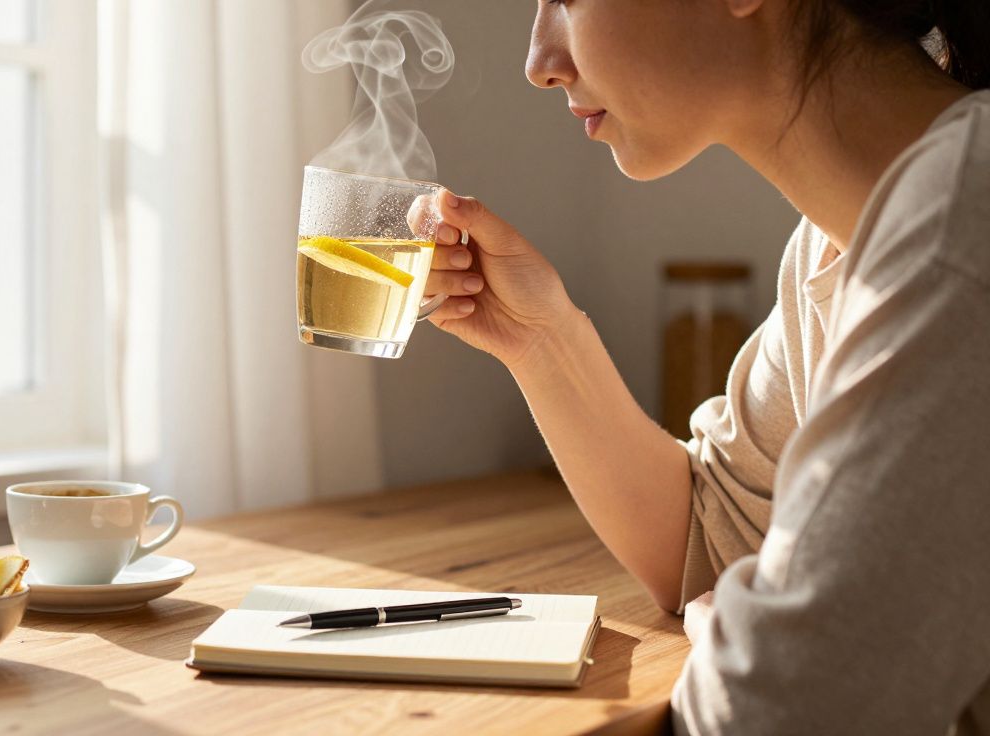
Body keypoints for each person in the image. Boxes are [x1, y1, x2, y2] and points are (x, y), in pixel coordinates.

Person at [421, 0, 990, 732]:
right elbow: (715, 539)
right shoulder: (840, 240)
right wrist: (542, 340)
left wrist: (741, 636)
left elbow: (782, 710)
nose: (539, 63)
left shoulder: (958, 228)